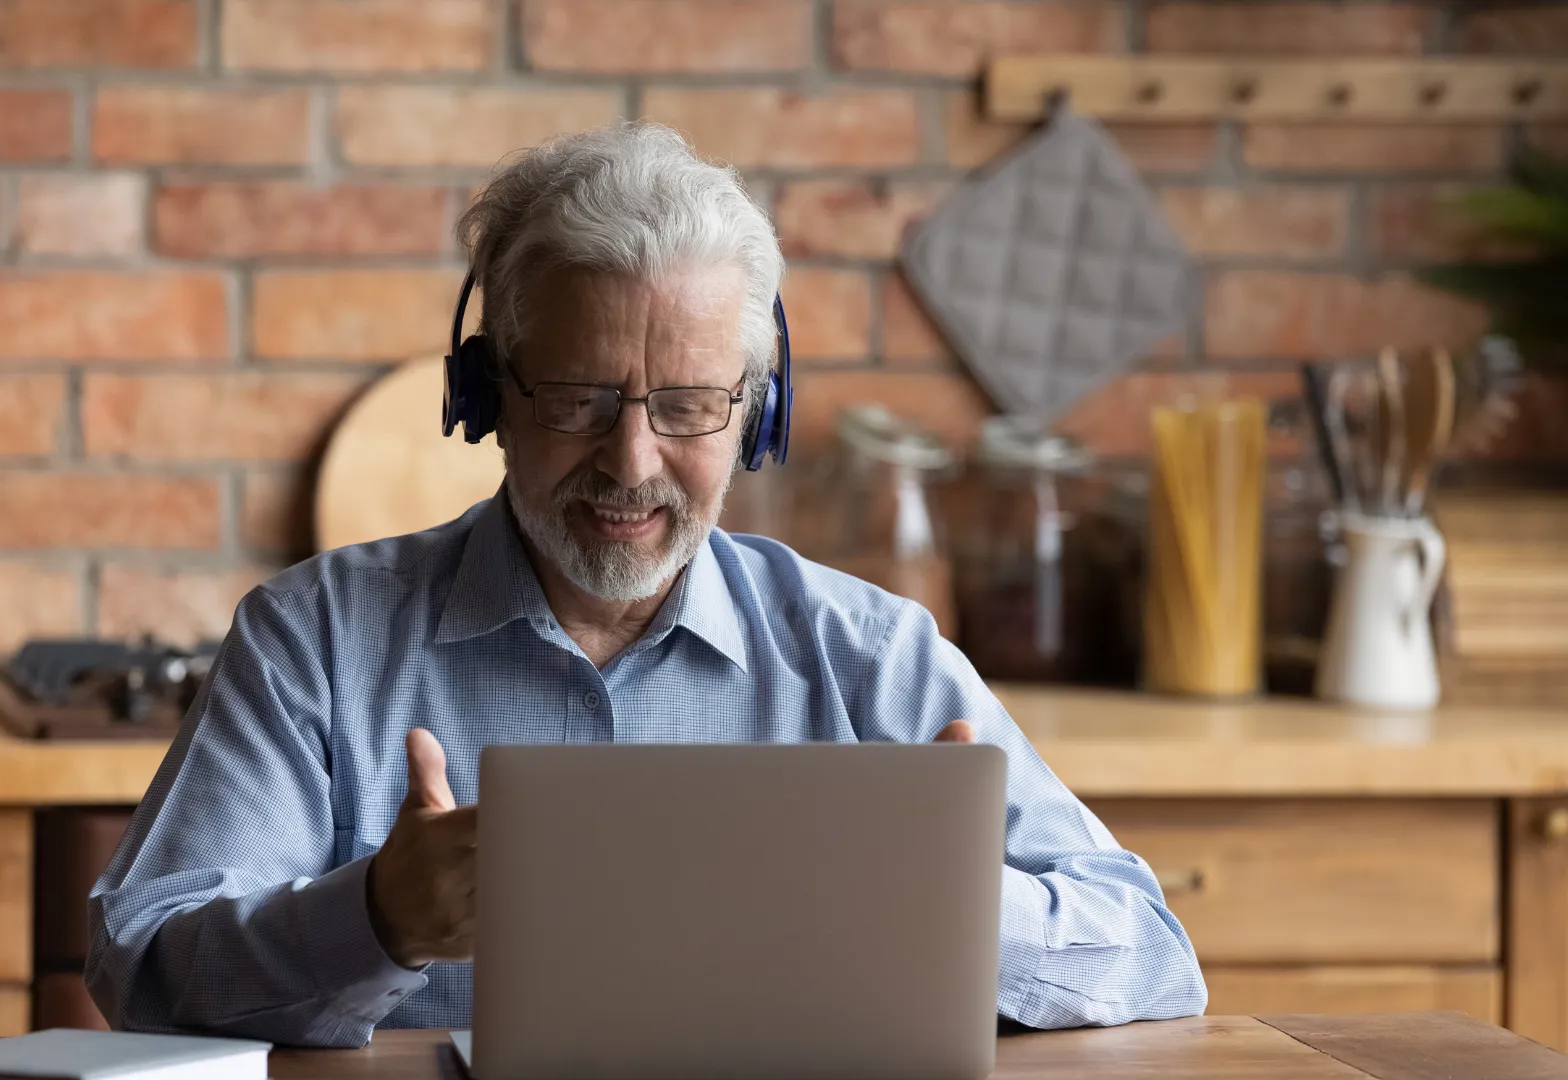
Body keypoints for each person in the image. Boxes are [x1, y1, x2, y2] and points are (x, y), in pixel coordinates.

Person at [85, 122, 1207, 1048]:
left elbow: (1153, 950)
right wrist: (379, 919)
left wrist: (960, 913)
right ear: (488, 397)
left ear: (757, 416)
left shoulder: (869, 654)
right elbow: (141, 965)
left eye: (686, 406)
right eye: (577, 397)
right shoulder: (313, 641)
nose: (630, 463)